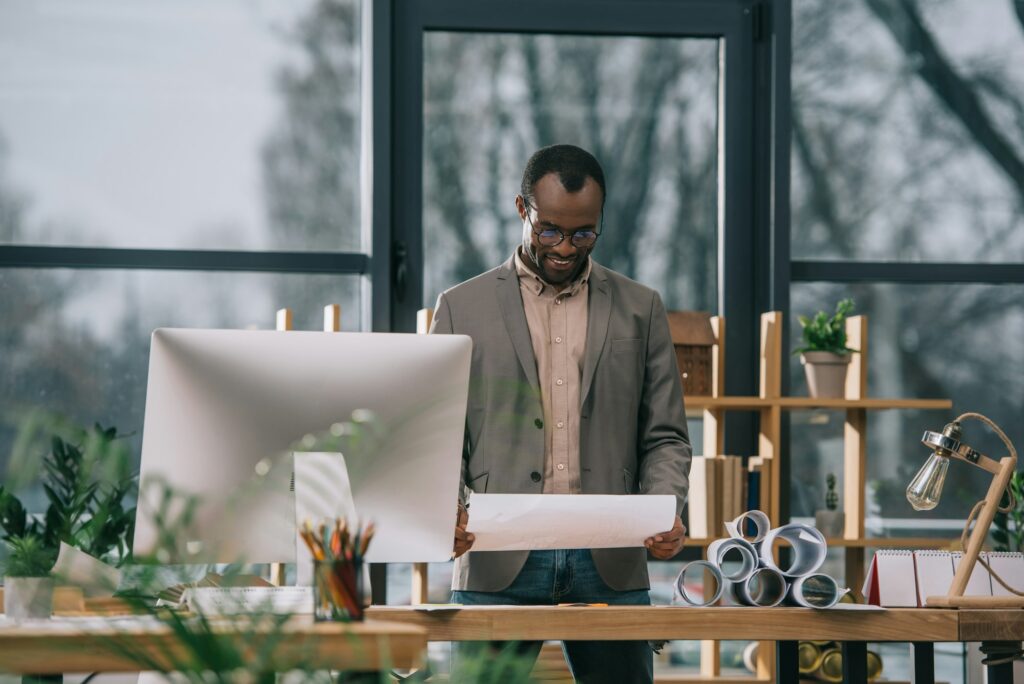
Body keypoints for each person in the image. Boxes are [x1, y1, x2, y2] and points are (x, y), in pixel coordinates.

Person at [430, 144, 691, 683]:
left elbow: (664, 434)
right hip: (494, 555)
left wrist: (664, 506)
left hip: (612, 558)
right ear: (522, 209)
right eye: (550, 230)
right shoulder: (461, 307)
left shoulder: (641, 307)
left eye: (583, 234)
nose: (565, 248)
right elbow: (440, 434)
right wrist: (442, 510)